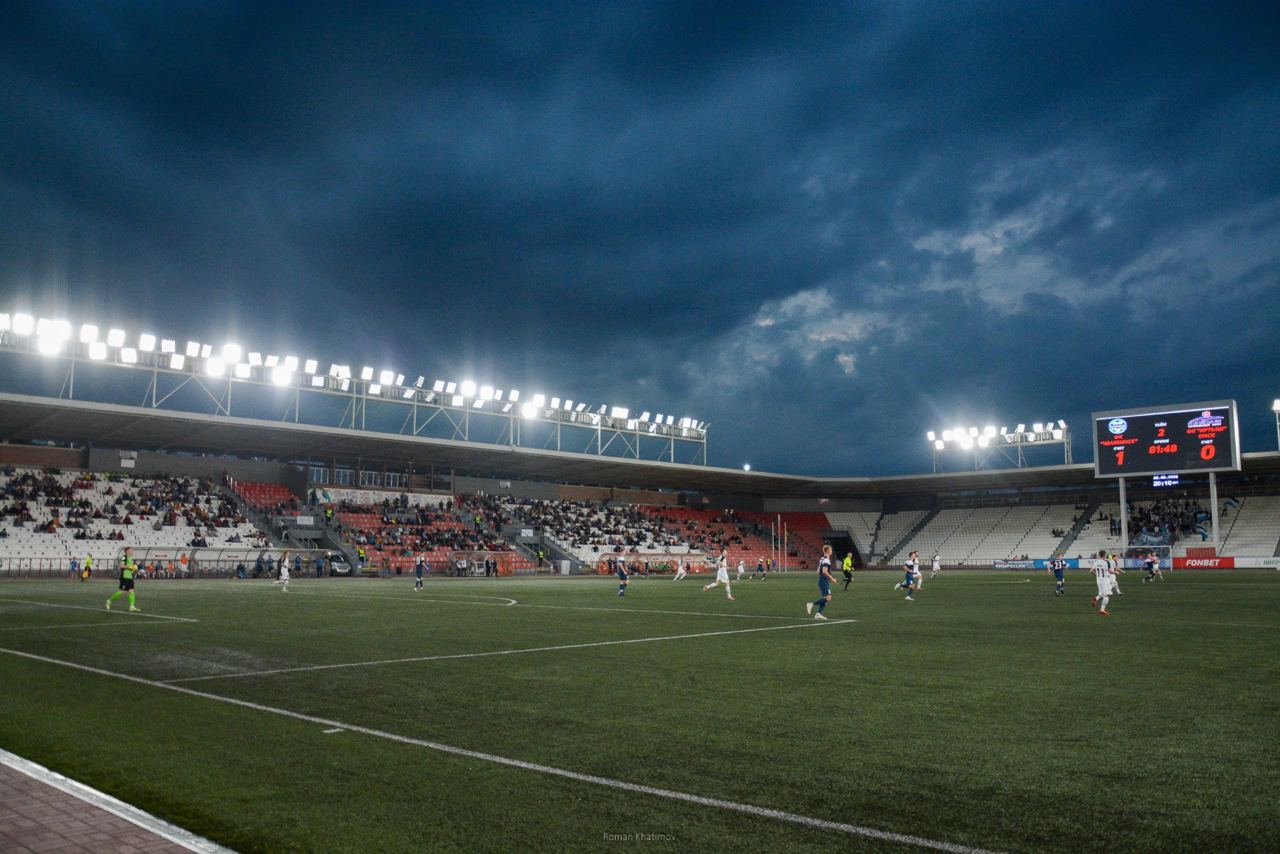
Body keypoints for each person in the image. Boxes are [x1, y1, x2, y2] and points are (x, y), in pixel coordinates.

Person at [105, 548, 141, 612]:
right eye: (131, 550)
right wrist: (129, 567)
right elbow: (121, 565)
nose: (132, 551)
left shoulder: (130, 558)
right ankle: (109, 600)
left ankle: (132, 607)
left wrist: (134, 569)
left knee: (132, 591)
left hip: (130, 577)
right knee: (122, 592)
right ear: (127, 551)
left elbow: (130, 568)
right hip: (125, 577)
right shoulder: (125, 557)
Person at [806, 544, 835, 620]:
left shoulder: (822, 558)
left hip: (822, 580)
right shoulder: (826, 560)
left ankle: (819, 614)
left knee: (825, 598)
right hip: (823, 581)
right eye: (831, 550)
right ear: (828, 551)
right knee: (828, 597)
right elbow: (824, 571)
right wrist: (832, 578)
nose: (831, 551)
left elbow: (818, 570)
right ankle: (811, 604)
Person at [1091, 550, 1112, 616]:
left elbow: (1091, 571)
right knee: (1106, 595)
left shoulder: (1096, 562)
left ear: (1099, 555)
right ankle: (1102, 610)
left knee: (1101, 593)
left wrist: (1097, 575)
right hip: (1105, 580)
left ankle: (1096, 599)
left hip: (1098, 580)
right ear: (1105, 555)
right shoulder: (1107, 562)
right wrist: (1115, 572)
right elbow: (1110, 571)